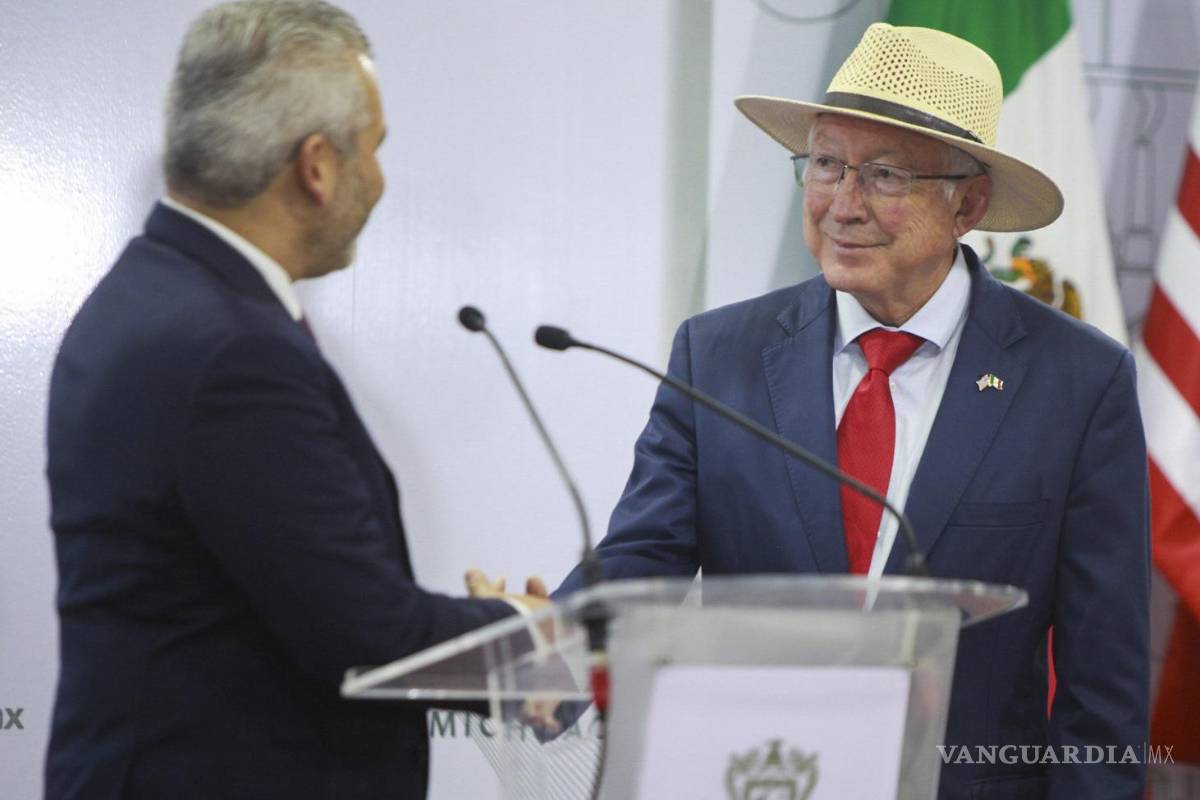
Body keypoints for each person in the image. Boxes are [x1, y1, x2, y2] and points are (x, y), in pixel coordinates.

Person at [554, 23, 1149, 799]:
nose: (843, 203)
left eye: (886, 174)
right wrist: (546, 650)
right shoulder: (719, 355)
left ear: (967, 203)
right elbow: (641, 563)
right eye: (827, 164)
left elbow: (1104, 684)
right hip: (756, 778)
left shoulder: (1076, 381)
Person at [44, 2, 540, 798]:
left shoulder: (150, 294)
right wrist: (530, 636)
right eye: (373, 149)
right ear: (317, 165)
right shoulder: (232, 349)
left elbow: (294, 594)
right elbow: (366, 637)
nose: (378, 177)